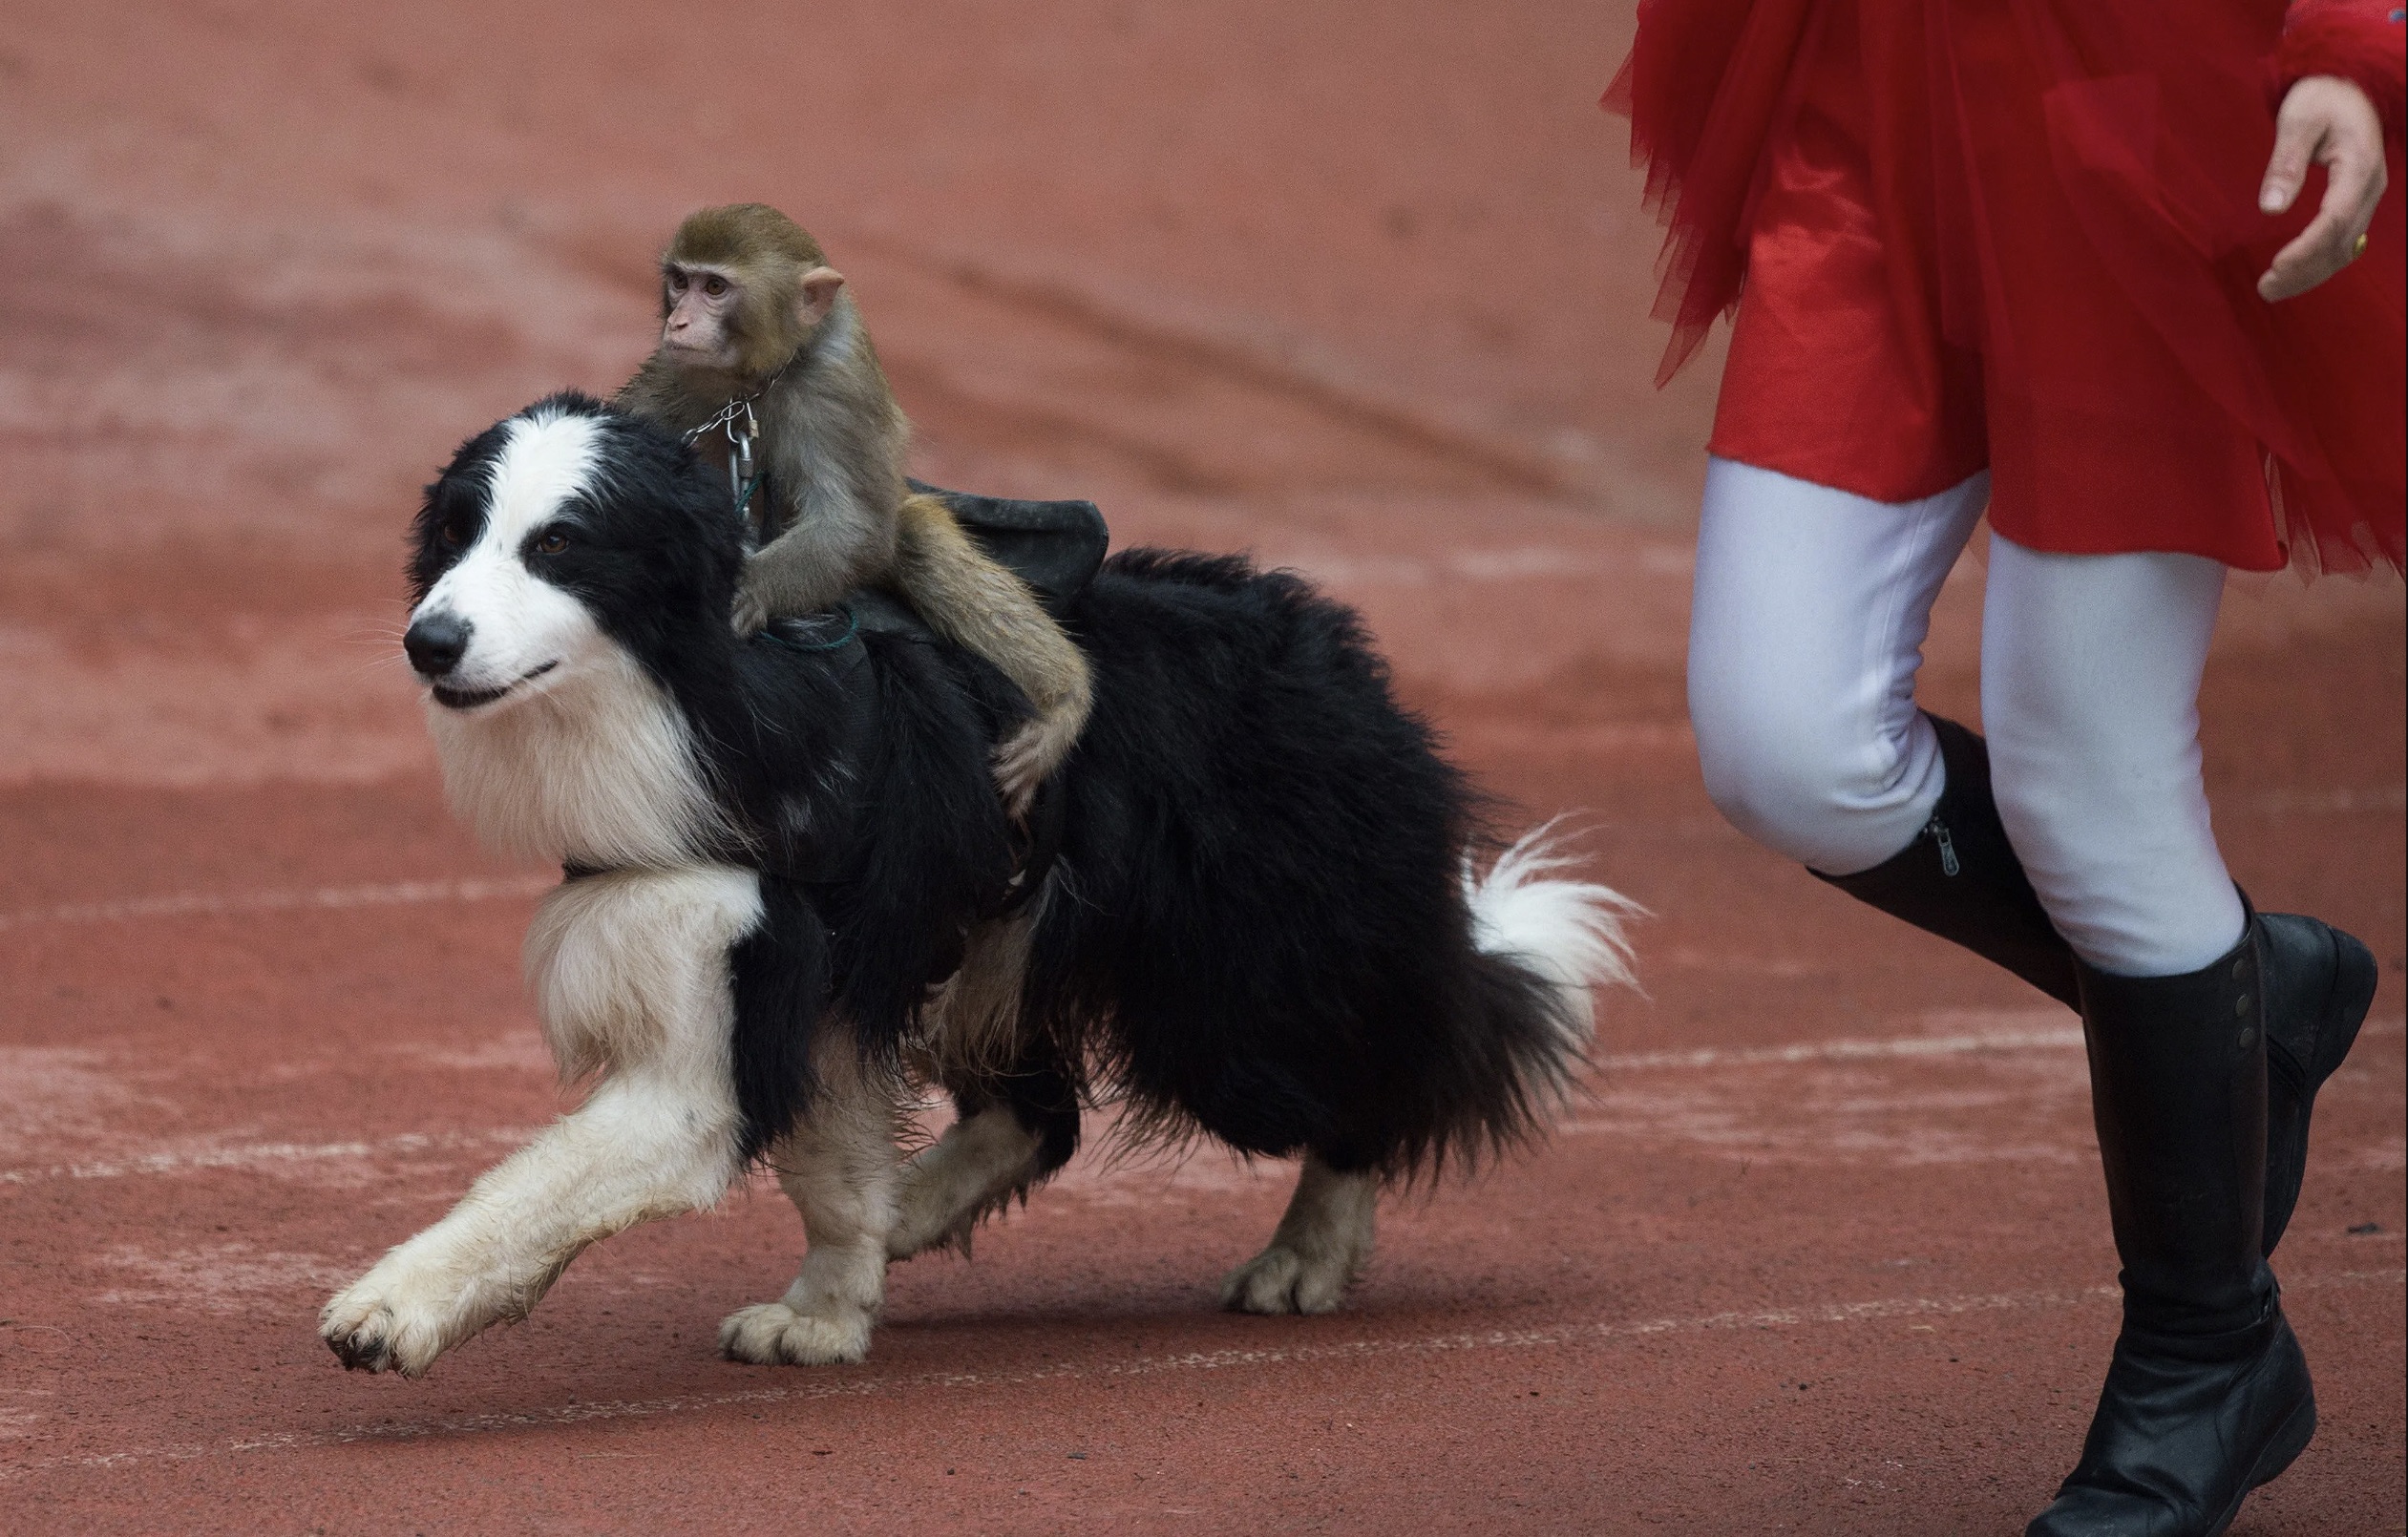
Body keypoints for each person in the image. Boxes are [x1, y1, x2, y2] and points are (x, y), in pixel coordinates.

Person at [1607, 0, 2402, 1531]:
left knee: (2087, 783)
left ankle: (2206, 1351)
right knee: (1781, 744)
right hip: (1861, 107)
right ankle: (2253, 999)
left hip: (2147, 118)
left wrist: (2350, 48)